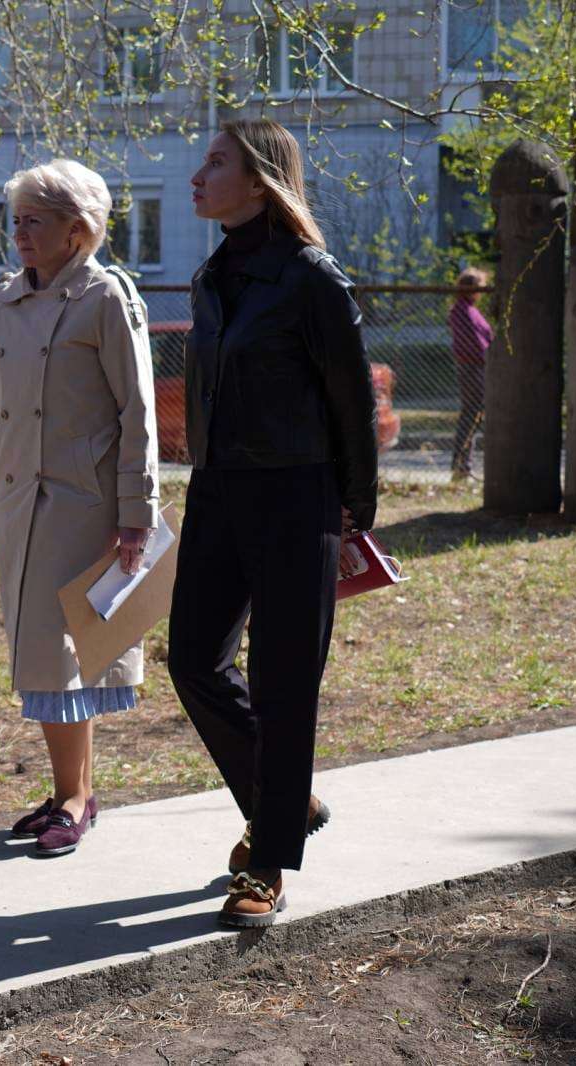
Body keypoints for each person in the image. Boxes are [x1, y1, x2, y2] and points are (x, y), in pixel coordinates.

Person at [167, 120, 377, 928]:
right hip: (219, 491)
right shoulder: (212, 278)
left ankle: (269, 861)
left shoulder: (310, 278)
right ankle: (286, 800)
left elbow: (352, 400)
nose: (198, 175)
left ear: (259, 181)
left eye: (215, 162)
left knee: (285, 683)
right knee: (195, 660)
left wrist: (356, 504)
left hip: (297, 496)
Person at [0, 159, 160, 858]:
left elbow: (138, 414)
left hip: (85, 508)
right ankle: (72, 791)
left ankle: (74, 799)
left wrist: (136, 514)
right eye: (15, 220)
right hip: (18, 504)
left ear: (77, 230)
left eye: (35, 221)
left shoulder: (106, 297)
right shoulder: (3, 300)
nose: (19, 233)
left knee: (62, 655)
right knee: (49, 654)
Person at [448, 267, 494, 481]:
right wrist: (492, 356)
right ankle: (460, 465)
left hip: (480, 366)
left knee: (473, 416)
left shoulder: (470, 310)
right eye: (479, 288)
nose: (481, 293)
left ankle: (463, 465)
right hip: (471, 367)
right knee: (471, 415)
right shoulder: (460, 311)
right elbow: (475, 343)